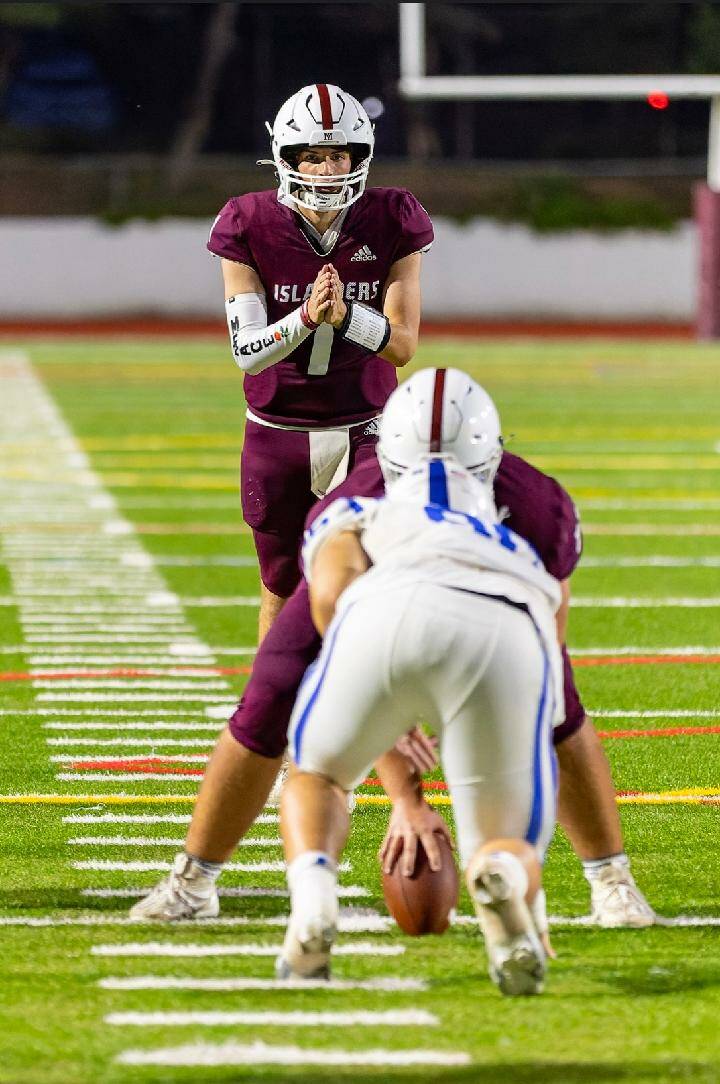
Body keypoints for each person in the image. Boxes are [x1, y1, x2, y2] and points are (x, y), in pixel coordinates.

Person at [130, 374, 655, 931]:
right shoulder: (369, 500)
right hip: (386, 599)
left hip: (459, 604)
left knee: (559, 710)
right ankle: (193, 879)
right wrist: (402, 781)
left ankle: (611, 877)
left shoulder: (530, 506)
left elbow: (548, 644)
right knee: (270, 696)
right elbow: (334, 608)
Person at [277, 369, 562, 994]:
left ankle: (315, 899)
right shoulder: (520, 533)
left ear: (387, 454)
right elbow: (552, 641)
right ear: (490, 457)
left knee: (318, 775)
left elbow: (330, 590)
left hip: (386, 604)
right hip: (504, 620)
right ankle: (506, 883)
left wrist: (383, 704)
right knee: (505, 841)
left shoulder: (356, 507)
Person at [207, 83, 433, 641]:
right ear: (287, 158)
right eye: (313, 155)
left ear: (360, 158)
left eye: (338, 155)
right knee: (280, 587)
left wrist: (346, 318)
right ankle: (270, 719)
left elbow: (402, 345)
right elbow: (247, 352)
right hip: (277, 431)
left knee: (368, 578)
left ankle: (373, 714)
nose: (329, 169)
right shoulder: (247, 221)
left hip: (365, 431)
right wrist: (307, 319)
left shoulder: (392, 216)